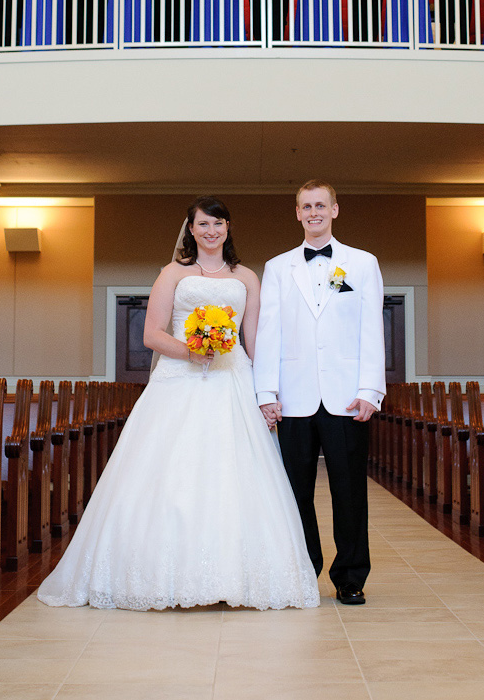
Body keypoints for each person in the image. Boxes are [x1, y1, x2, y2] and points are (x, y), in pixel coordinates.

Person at [37, 197, 320, 611]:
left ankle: (239, 577)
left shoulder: (247, 277)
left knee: (237, 472)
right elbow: (152, 333)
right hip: (180, 379)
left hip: (233, 378)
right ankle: (159, 575)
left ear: (228, 228)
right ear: (190, 229)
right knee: (171, 471)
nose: (211, 231)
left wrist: (268, 393)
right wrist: (192, 351)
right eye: (203, 224)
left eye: (218, 223)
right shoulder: (173, 273)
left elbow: (254, 338)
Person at [253, 181, 385, 606]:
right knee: (295, 493)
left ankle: (350, 577)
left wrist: (370, 390)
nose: (314, 212)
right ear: (297, 213)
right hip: (293, 399)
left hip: (346, 397)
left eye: (320, 206)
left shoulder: (362, 264)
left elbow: (371, 331)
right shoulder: (277, 267)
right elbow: (268, 333)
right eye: (306, 206)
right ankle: (303, 571)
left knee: (349, 493)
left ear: (335, 210)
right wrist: (265, 392)